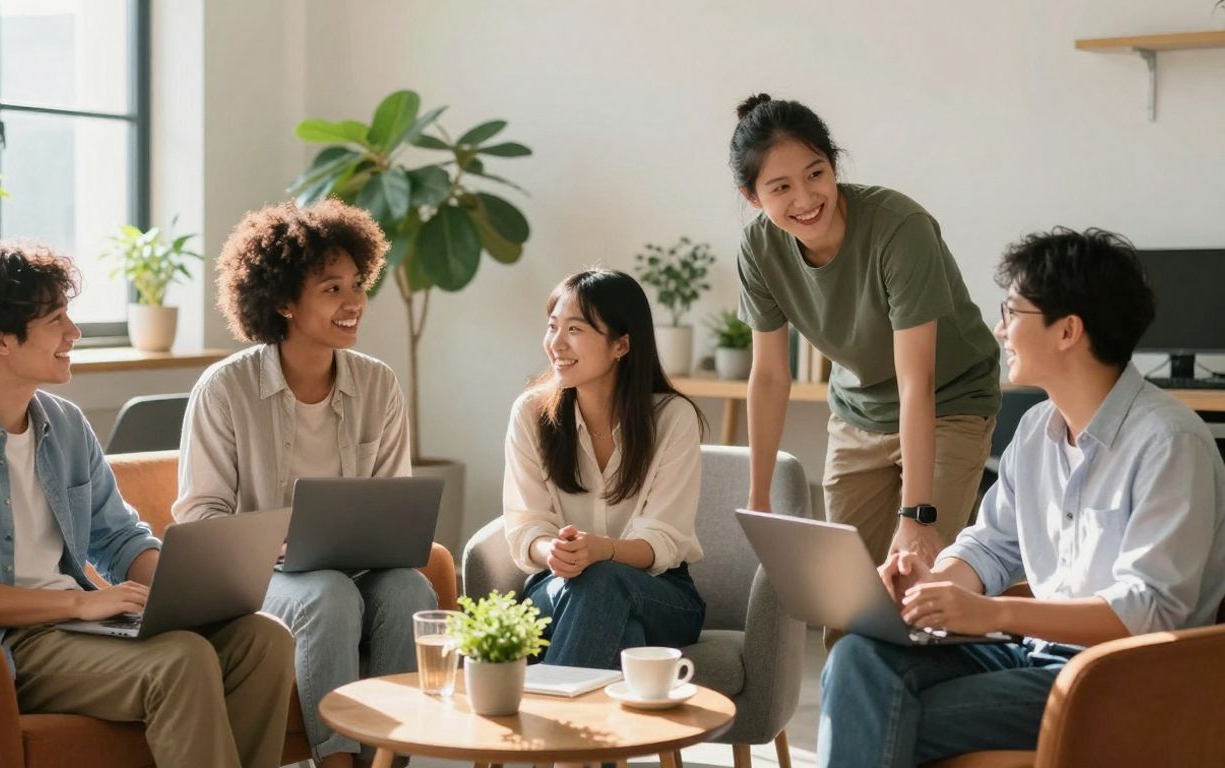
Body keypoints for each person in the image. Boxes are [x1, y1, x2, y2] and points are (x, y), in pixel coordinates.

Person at [0, 240, 294, 768]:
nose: (74, 332)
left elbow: (118, 537)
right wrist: (80, 604)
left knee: (262, 638)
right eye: (55, 319)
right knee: (179, 660)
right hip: (2, 645)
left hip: (77, 628)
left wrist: (191, 589)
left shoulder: (65, 424)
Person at [818, 228, 1225, 766]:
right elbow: (990, 547)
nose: (1000, 329)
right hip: (1033, 656)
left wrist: (992, 612)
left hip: (1126, 679)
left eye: (1011, 312)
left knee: (881, 712)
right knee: (859, 658)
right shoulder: (1036, 430)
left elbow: (1148, 611)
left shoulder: (1169, 442)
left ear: (1068, 331)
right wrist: (932, 587)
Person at [173, 200, 436, 768]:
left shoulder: (379, 384)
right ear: (284, 302)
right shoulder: (225, 389)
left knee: (410, 591)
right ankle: (335, 762)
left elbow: (393, 501)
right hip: (264, 579)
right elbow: (199, 517)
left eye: (358, 284)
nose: (354, 302)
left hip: (359, 569)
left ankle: (386, 761)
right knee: (326, 594)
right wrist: (276, 543)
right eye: (332, 289)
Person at [730, 94, 1001, 596]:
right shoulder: (759, 249)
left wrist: (917, 515)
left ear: (834, 165)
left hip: (947, 402)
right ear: (753, 197)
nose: (805, 199)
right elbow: (768, 375)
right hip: (857, 410)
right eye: (781, 187)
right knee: (846, 594)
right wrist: (758, 499)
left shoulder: (899, 228)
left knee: (916, 587)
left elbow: (917, 380)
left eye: (816, 174)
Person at [502, 268, 707, 669]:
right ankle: (573, 712)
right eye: (552, 326)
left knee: (602, 580)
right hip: (557, 584)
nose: (556, 343)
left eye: (574, 329)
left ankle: (545, 707)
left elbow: (664, 540)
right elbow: (527, 525)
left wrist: (602, 551)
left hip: (660, 592)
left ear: (621, 345)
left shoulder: (672, 418)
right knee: (620, 629)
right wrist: (555, 552)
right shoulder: (530, 414)